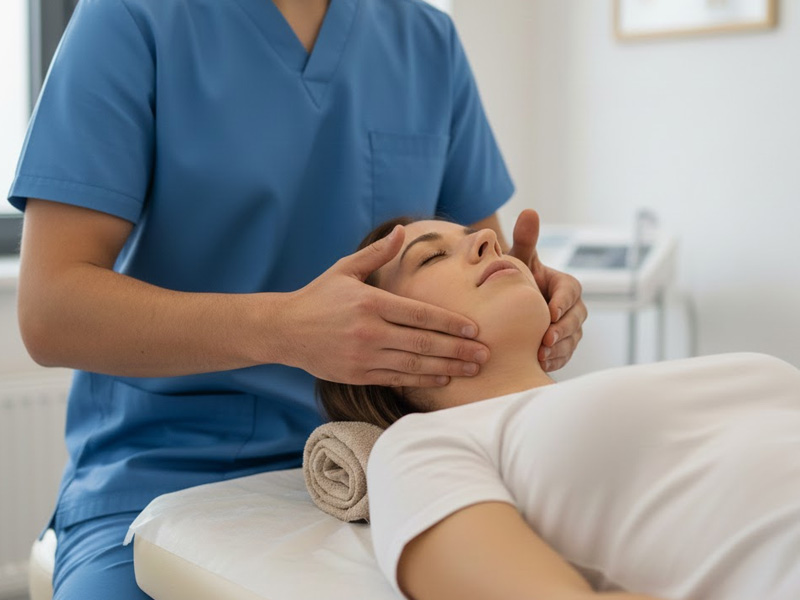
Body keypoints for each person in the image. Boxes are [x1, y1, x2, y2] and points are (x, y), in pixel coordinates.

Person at [7, 0, 588, 598]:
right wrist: (283, 328)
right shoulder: (133, 18)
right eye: (432, 254)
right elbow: (50, 311)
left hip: (377, 464)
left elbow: (485, 268)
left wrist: (536, 296)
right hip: (159, 473)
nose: (485, 245)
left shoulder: (425, 40)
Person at [317, 215, 800, 600]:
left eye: (480, 238)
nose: (489, 237)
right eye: (432, 257)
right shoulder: (424, 442)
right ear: (375, 341)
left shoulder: (622, 385)